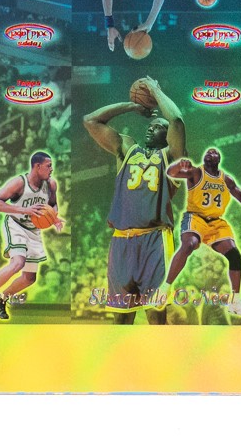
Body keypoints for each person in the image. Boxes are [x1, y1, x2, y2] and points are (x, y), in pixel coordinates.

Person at [85, 77, 185, 322]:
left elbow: (177, 120)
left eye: (158, 126)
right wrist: (132, 106)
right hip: (121, 240)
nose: (151, 128)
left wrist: (155, 91)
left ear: (167, 136)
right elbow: (91, 120)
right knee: (121, 318)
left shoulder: (172, 158)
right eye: (151, 125)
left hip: (155, 240)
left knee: (155, 316)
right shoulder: (127, 149)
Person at [165, 147, 241, 319]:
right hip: (195, 217)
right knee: (190, 244)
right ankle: (165, 289)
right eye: (208, 152)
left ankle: (235, 302)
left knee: (235, 255)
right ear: (205, 159)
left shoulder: (226, 179)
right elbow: (171, 173)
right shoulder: (196, 172)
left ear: (218, 159)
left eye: (213, 152)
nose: (210, 152)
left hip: (216, 222)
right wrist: (179, 165)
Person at [0, 151, 60, 322]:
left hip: (33, 230)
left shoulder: (51, 184)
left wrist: (54, 217)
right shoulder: (19, 183)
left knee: (29, 278)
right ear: (37, 166)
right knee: (17, 263)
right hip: (16, 225)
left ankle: (0, 299)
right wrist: (24, 210)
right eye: (48, 166)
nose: (51, 169)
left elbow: (53, 205)